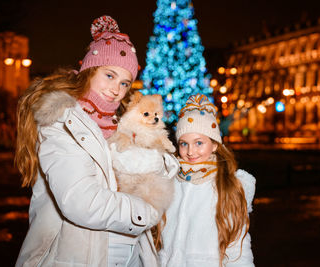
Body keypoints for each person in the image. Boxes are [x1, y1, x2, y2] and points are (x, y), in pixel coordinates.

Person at [14, 15, 177, 267]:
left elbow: (165, 165)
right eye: (109, 75)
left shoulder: (124, 123)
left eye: (125, 82)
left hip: (130, 256)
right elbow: (81, 201)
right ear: (89, 71)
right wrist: (146, 211)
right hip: (76, 257)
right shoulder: (62, 121)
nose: (116, 89)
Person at [159, 94, 256, 266]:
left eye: (199, 143)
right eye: (183, 143)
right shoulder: (168, 181)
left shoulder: (227, 186)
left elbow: (237, 248)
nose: (190, 152)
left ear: (215, 144)